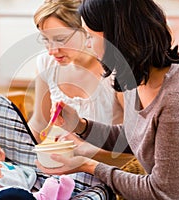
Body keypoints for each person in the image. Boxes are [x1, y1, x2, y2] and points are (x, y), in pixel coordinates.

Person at [35, 0, 179, 199]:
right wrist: (80, 125)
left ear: (117, 37)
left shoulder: (178, 100)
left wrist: (87, 165)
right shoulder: (136, 75)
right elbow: (134, 133)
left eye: (91, 36)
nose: (87, 44)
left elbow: (162, 193)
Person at [29, 0, 127, 195]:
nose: (51, 50)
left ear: (85, 30)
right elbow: (39, 123)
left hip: (109, 175)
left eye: (60, 39)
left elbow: (132, 145)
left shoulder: (117, 72)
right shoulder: (47, 63)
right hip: (61, 174)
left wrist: (80, 151)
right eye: (46, 40)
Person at [0, 131, 75, 200]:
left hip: (23, 195)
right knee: (12, 195)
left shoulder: (9, 166)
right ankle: (43, 197)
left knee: (25, 193)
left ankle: (59, 195)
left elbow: (26, 180)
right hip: (0, 198)